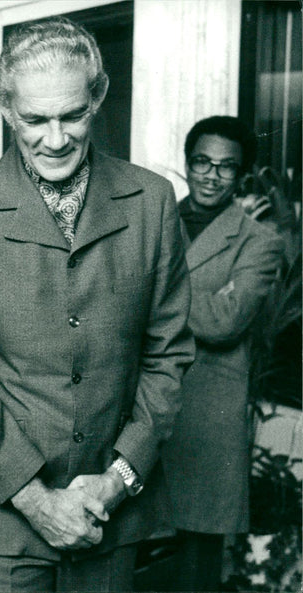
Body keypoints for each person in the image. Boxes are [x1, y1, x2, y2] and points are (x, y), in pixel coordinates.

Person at [0, 17, 195, 592]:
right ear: (3, 107)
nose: (56, 138)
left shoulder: (151, 201)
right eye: (34, 119)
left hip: (108, 511)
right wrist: (37, 499)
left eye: (73, 115)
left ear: (98, 96)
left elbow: (167, 356)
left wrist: (116, 480)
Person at [161, 116, 284, 591]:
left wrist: (156, 289)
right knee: (123, 542)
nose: (211, 175)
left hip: (207, 410)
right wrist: (204, 298)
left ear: (242, 176)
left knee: (197, 551)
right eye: (201, 162)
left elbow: (225, 321)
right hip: (137, 400)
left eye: (225, 167)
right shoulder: (152, 220)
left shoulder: (260, 242)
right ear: (187, 164)